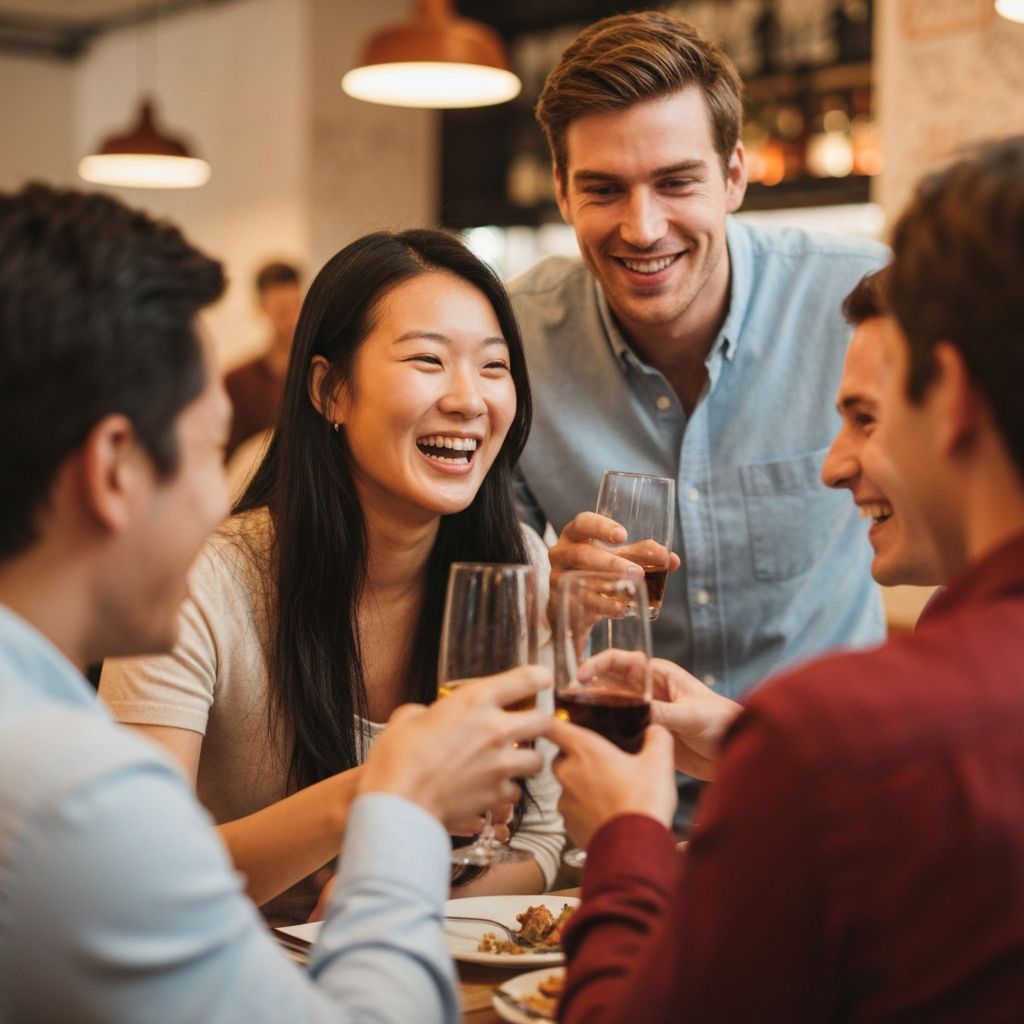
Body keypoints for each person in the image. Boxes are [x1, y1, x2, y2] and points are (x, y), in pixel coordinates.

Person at [0, 182, 552, 1023]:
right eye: (206, 450)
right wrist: (395, 801)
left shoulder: (43, 735)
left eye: (493, 365)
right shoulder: (76, 797)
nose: (220, 503)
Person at [549, 135, 1024, 1020]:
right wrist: (749, 749)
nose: (832, 465)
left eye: (866, 417)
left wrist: (625, 837)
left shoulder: (838, 733)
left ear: (953, 399)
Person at [100, 229, 564, 925]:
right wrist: (385, 791)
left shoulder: (516, 563)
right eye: (429, 360)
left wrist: (393, 908)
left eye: (493, 366)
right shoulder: (194, 584)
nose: (469, 400)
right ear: (329, 390)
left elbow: (539, 840)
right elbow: (132, 879)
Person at [511, 10, 887, 709]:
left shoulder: (863, 304)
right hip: (622, 755)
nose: (642, 228)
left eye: (676, 182)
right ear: (561, 190)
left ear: (734, 175)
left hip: (830, 755)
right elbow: (483, 594)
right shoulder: (511, 344)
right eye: (604, 189)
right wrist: (544, 602)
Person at [225, 260, 302, 456]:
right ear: (261, 307)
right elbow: (230, 455)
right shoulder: (237, 382)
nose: (290, 321)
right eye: (282, 311)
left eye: (294, 308)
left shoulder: (316, 373)